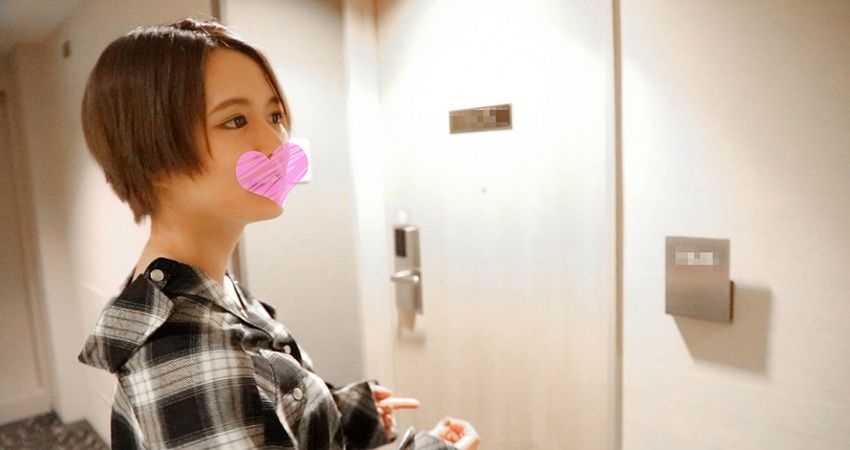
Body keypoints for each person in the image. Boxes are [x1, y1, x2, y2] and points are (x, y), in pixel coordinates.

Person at [76, 17, 480, 450]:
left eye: (275, 116)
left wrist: (341, 411)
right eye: (235, 121)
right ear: (151, 154)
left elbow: (257, 403)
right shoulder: (189, 358)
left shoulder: (192, 287)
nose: (277, 144)